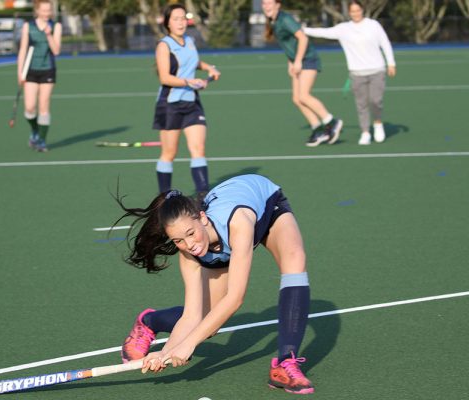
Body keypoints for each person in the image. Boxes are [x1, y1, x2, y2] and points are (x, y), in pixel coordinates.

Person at [116, 174, 314, 394]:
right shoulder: (190, 255)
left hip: (265, 203)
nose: (189, 244)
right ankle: (150, 321)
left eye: (190, 233)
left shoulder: (237, 224)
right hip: (220, 242)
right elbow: (191, 316)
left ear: (202, 218)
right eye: (178, 241)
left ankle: (286, 363)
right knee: (208, 324)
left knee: (294, 260)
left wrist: (188, 344)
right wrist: (166, 352)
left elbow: (235, 298)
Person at [304, 0, 396, 145]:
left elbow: (385, 43)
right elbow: (323, 32)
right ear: (349, 13)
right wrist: (302, 30)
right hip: (357, 73)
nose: (355, 14)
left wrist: (391, 63)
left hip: (377, 70)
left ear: (362, 10)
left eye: (358, 10)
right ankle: (365, 132)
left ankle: (378, 124)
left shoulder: (373, 25)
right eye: (352, 11)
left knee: (375, 101)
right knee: (361, 104)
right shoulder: (344, 29)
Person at [153, 3, 221, 199]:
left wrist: (209, 68)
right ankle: (164, 198)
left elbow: (194, 61)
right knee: (169, 153)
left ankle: (203, 195)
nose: (181, 22)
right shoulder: (164, 45)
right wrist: (189, 81)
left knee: (198, 148)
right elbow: (165, 78)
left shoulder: (189, 41)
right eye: (176, 19)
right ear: (167, 23)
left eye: (183, 18)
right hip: (170, 105)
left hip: (192, 103)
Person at [262, 0, 343, 147]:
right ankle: (318, 129)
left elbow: (303, 38)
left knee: (304, 96)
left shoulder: (285, 19)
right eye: (264, 3)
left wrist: (298, 60)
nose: (266, 6)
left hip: (307, 59)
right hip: (297, 61)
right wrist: (290, 62)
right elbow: (288, 44)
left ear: (277, 5)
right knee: (297, 99)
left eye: (269, 3)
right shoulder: (272, 22)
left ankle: (332, 122)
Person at [17, 0, 62, 152]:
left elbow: (56, 51)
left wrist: (49, 35)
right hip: (30, 71)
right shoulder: (27, 26)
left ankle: (42, 140)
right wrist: (20, 72)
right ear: (37, 11)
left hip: (48, 70)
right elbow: (23, 50)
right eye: (43, 11)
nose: (46, 13)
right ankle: (35, 131)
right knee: (30, 108)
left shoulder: (56, 26)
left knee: (44, 106)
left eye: (49, 10)